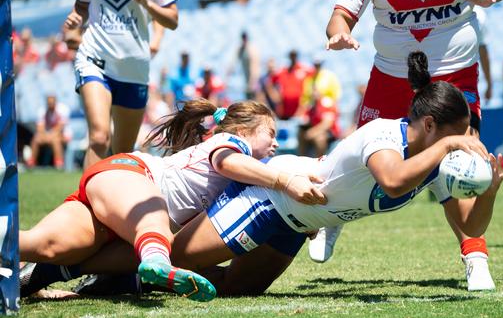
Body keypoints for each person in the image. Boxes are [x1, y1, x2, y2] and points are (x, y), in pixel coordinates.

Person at [27, 52, 503, 298]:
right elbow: (390, 181)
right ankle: (65, 265)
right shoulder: (385, 135)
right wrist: (453, 143)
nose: (467, 141)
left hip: (298, 221)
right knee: (167, 255)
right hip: (272, 197)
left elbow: (471, 226)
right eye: (461, 131)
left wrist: (486, 188)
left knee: (237, 291)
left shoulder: (432, 159)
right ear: (430, 125)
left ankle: (104, 273)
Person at [316, 0, 503, 290]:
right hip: (391, 77)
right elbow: (340, 17)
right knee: (362, 161)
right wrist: (339, 33)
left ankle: (475, 259)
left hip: (455, 75)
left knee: (462, 165)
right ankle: (331, 218)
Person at [19, 99, 327, 300]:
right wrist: (284, 181)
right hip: (130, 176)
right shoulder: (231, 143)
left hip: (116, 206)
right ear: (245, 129)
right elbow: (225, 163)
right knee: (158, 234)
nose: (276, 142)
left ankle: (34, 275)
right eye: (269, 133)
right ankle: (155, 263)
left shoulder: (245, 172)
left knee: (43, 246)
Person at [64, 0, 179, 170]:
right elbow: (81, 6)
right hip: (94, 60)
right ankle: (88, 202)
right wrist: (76, 20)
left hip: (133, 70)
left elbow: (173, 19)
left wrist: (147, 4)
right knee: (99, 137)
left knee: (123, 152)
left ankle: (112, 200)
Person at [26, 94, 71, 170]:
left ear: (55, 102)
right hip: (47, 135)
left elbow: (60, 127)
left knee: (55, 140)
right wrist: (46, 136)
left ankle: (59, 163)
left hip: (63, 135)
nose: (50, 105)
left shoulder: (63, 109)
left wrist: (49, 136)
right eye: (49, 103)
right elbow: (40, 128)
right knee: (36, 139)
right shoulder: (42, 110)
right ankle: (31, 163)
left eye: (52, 103)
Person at [268, 50, 313, 120]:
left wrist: (307, 100)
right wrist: (274, 95)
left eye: (294, 56)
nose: (293, 58)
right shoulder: (284, 71)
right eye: (291, 56)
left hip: (299, 110)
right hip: (284, 109)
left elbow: (314, 78)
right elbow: (270, 82)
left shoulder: (304, 70)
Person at [226, 32, 260, 100]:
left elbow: (255, 66)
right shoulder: (241, 49)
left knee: (254, 99)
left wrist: (253, 80)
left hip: (253, 79)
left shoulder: (252, 49)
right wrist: (227, 75)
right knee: (247, 99)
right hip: (245, 80)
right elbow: (233, 62)